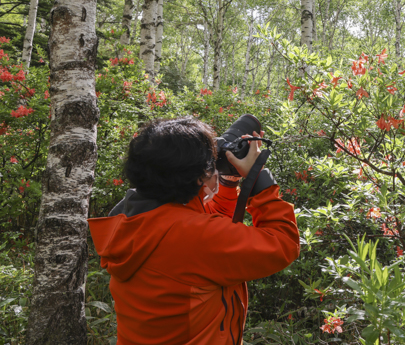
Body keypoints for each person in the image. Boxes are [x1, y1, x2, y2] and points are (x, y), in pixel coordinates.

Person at [88, 117, 300, 345]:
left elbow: (208, 221)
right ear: (199, 176)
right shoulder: (195, 236)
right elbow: (283, 243)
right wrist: (259, 179)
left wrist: (228, 183)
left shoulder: (130, 221)